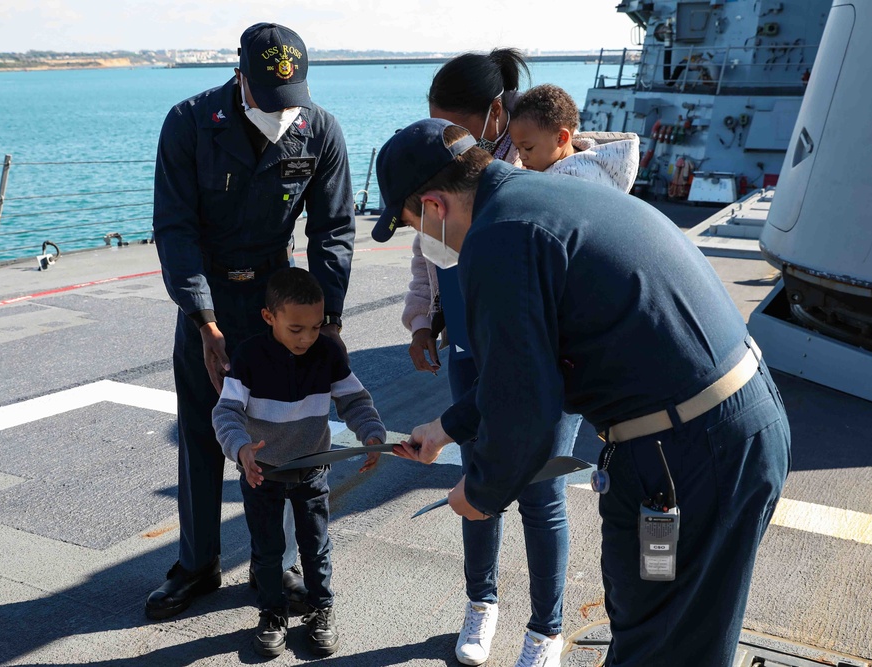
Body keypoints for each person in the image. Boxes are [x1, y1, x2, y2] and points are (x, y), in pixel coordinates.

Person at [372, 119, 791, 667]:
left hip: (686, 456)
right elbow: (529, 371)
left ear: (433, 206)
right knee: (672, 622)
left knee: (661, 642)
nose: (421, 241)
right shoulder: (540, 197)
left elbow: (529, 410)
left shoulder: (497, 240)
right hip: (726, 426)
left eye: (410, 225)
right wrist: (446, 429)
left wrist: (480, 493)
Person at [148, 22, 355, 620]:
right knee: (201, 434)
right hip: (211, 300)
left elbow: (333, 232)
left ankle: (284, 561)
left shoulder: (318, 128)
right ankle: (197, 564)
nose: (282, 116)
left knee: (288, 432)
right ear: (240, 76)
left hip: (279, 303)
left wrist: (329, 322)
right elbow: (175, 227)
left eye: (292, 104)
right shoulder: (189, 123)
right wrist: (204, 321)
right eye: (270, 102)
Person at [399, 50, 583, 667]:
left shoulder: (530, 176)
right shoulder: (442, 183)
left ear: (495, 115)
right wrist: (423, 319)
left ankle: (545, 627)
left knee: (540, 491)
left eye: (456, 125)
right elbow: (428, 252)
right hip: (471, 349)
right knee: (476, 480)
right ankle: (482, 603)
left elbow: (534, 362)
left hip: (543, 359)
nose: (448, 138)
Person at [212, 267, 385, 657]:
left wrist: (371, 433)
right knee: (268, 549)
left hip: (311, 470)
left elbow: (354, 400)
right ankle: (272, 613)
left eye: (316, 326)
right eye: (296, 329)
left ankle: (322, 610)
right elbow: (226, 413)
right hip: (262, 473)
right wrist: (240, 449)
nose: (307, 337)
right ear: (269, 317)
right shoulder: (249, 357)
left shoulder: (328, 351)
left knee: (316, 545)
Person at [509, 84, 639, 192]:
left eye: (528, 148)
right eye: (518, 149)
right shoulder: (588, 161)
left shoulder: (568, 183)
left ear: (561, 138)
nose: (522, 156)